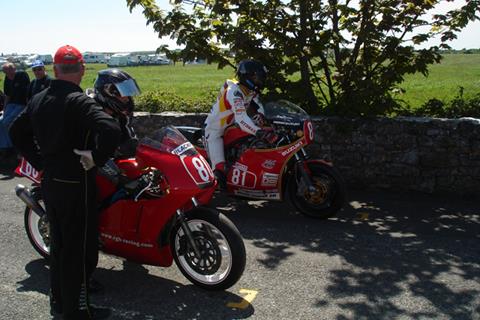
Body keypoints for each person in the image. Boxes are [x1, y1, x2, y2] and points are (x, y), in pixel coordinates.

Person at [9, 45, 120, 320]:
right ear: (82, 70)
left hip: (51, 182)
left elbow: (15, 131)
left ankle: (58, 305)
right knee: (79, 250)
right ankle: (76, 312)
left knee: (59, 247)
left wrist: (40, 162)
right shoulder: (78, 100)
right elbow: (111, 130)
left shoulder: (39, 99)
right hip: (76, 183)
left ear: (55, 70)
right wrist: (95, 156)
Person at [203, 59, 276, 188]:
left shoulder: (250, 92)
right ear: (247, 76)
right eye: (257, 77)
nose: (260, 80)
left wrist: (262, 119)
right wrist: (258, 132)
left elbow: (259, 108)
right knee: (219, 171)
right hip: (215, 131)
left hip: (232, 128)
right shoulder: (234, 92)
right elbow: (242, 119)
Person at [0, 62, 30, 163]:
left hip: (21, 104)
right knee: (1, 121)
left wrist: (28, 107)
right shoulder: (7, 79)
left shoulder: (22, 75)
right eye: (5, 72)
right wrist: (4, 109)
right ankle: (5, 146)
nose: (8, 74)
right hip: (11, 104)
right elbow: (7, 96)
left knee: (5, 122)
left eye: (9, 71)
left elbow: (27, 91)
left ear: (13, 69)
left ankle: (11, 146)